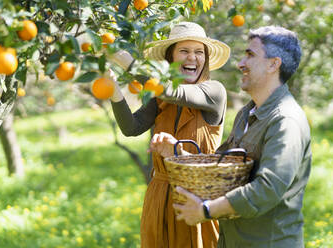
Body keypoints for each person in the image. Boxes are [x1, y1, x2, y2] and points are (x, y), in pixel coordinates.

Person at [150, 26, 312, 248]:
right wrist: (178, 151)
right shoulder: (247, 113)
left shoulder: (286, 121)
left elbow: (267, 189)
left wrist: (206, 210)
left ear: (273, 64)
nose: (240, 63)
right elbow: (223, 170)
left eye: (250, 55)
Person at [107, 22, 231, 247]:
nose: (192, 58)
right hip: (160, 195)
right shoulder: (160, 98)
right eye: (184, 51)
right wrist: (114, 92)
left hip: (197, 198)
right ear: (171, 59)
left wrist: (126, 61)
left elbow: (173, 91)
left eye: (198, 52)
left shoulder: (214, 91)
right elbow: (131, 128)